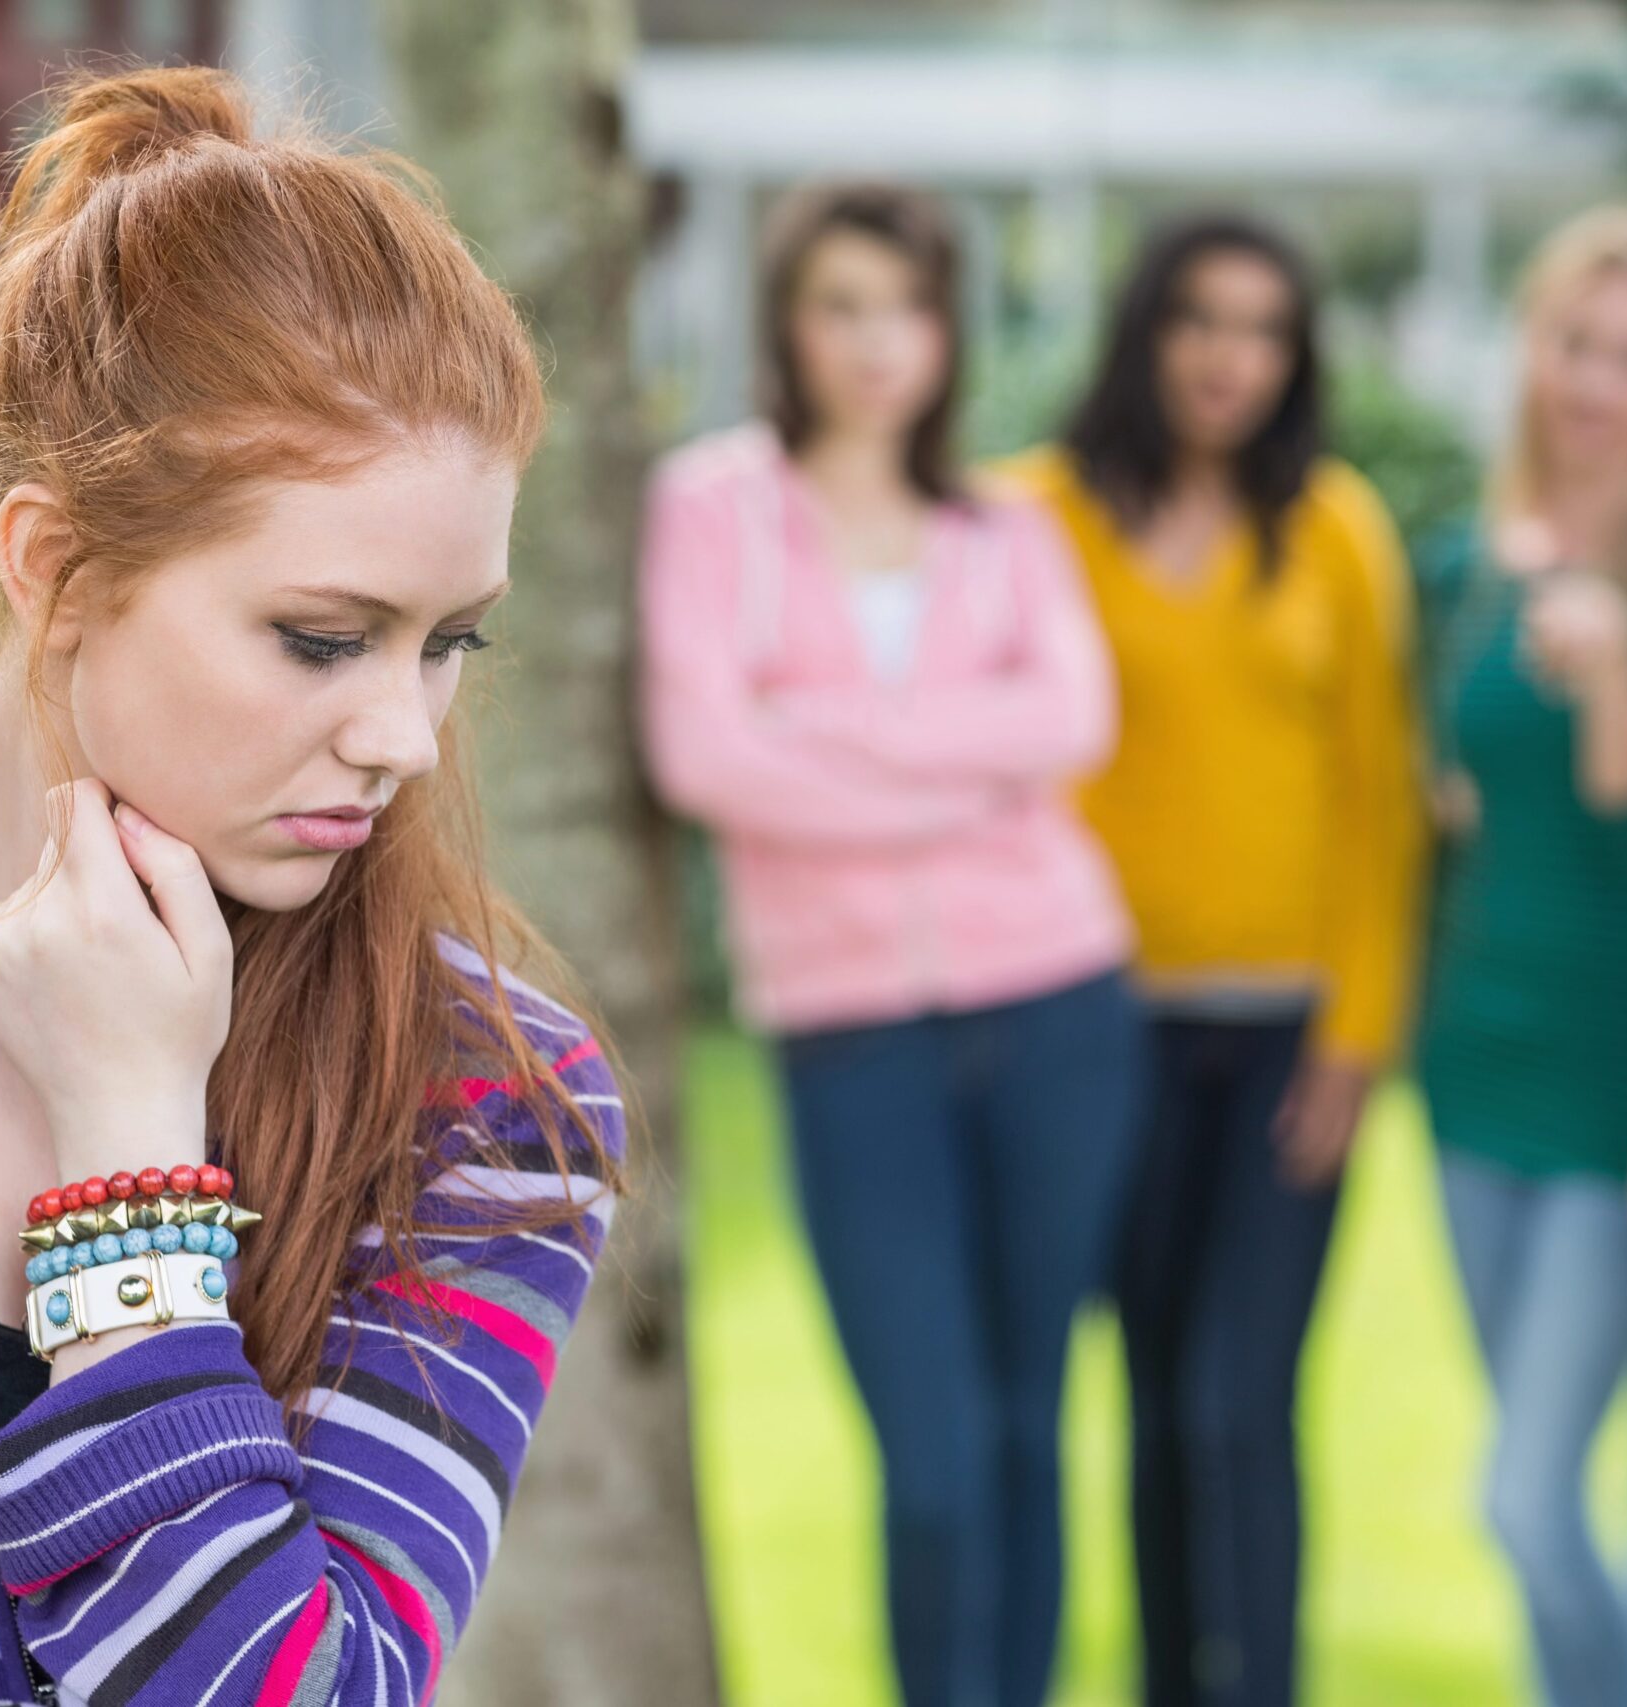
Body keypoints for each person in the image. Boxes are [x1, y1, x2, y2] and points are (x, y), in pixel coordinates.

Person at [0, 68, 622, 1706]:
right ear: (51, 567)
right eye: (324, 638)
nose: (404, 737)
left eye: (450, 643)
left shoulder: (486, 1098)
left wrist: (131, 1145)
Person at [638, 182, 1140, 1707]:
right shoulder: (712, 508)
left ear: (949, 332)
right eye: (842, 304)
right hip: (850, 1029)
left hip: (1060, 1000)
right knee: (929, 1455)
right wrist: (964, 767)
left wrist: (833, 737)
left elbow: (1076, 722)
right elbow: (706, 757)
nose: (878, 343)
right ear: (787, 321)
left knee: (1025, 1425)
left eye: (909, 308)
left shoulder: (1010, 524)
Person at [1000, 215, 1425, 1707]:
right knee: (1149, 1402)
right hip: (1089, 1029)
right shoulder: (1034, 514)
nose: (1226, 357)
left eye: (1261, 328)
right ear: (1145, 332)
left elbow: (1382, 806)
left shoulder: (1340, 533)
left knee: (1234, 1402)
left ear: (1296, 357)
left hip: (1283, 1040)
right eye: (1198, 319)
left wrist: (1358, 1039)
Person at [1412, 204, 1627, 1707]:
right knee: (1540, 1508)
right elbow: (1460, 794)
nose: (1599, 383)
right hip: (1474, 1071)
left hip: (1619, 1095)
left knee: (1526, 1500)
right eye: (1575, 346)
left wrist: (1613, 674)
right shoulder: (1470, 563)